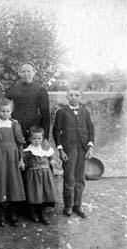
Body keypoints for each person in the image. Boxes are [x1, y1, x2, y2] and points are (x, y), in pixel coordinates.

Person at [53, 89, 94, 218]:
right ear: (66, 96)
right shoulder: (62, 112)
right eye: (71, 95)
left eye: (77, 95)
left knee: (80, 178)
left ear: (81, 97)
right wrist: (61, 150)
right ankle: (68, 205)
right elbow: (56, 131)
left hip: (82, 149)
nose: (74, 97)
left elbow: (91, 130)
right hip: (69, 149)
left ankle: (78, 205)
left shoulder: (85, 112)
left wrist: (90, 147)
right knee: (69, 177)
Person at [0, 98, 26, 227]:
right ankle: (0, 214)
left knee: (13, 184)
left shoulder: (15, 124)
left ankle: (13, 213)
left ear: (11, 111)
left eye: (8, 111)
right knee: (0, 183)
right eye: (2, 111)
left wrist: (21, 159)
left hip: (13, 157)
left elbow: (20, 143)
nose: (5, 114)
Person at [23, 126, 57, 225]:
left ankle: (42, 212)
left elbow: (51, 157)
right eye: (34, 139)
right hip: (33, 175)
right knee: (35, 193)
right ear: (29, 139)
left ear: (42, 139)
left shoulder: (45, 148)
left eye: (39, 139)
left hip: (45, 174)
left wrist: (53, 161)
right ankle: (33, 212)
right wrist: (23, 164)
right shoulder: (28, 151)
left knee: (45, 193)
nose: (36, 141)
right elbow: (24, 162)